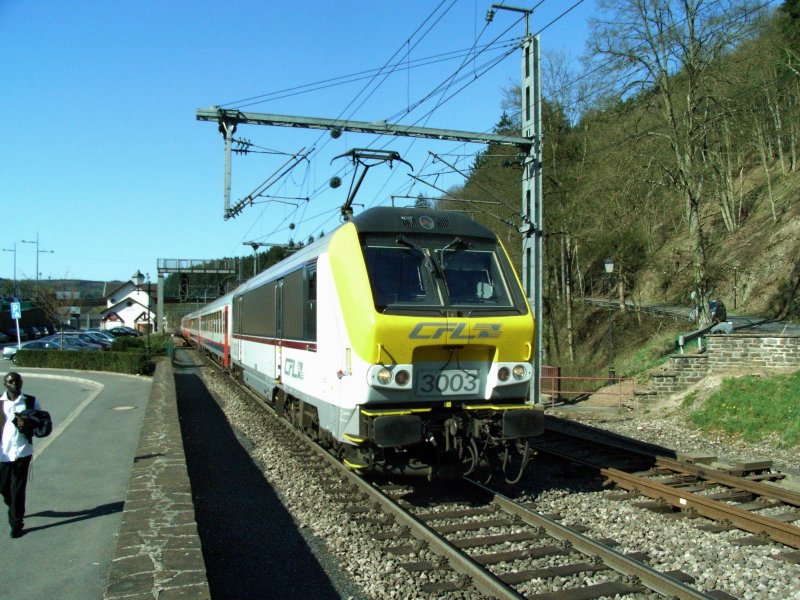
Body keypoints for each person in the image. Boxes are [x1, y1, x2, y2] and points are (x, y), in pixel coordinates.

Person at [0, 371, 41, 538]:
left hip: (22, 451)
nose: (15, 384)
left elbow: (41, 424)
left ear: (22, 383)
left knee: (17, 489)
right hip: (2, 453)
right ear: (5, 384)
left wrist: (28, 423)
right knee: (3, 488)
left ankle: (16, 524)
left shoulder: (31, 401)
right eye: (11, 382)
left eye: (17, 381)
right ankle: (13, 505)